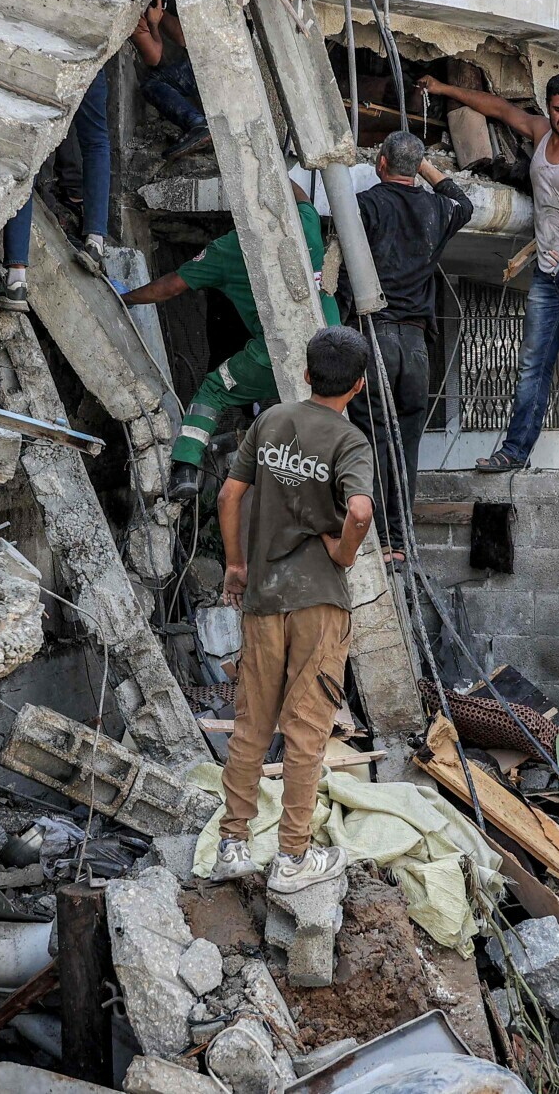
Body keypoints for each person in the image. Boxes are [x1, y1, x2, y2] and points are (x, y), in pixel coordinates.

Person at [209, 327, 375, 892]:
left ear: (306, 374)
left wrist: (236, 564)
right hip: (319, 602)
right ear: (359, 385)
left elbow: (229, 495)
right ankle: (292, 858)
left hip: (263, 597)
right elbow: (359, 510)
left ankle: (232, 844)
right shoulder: (351, 441)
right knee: (306, 730)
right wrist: (343, 552)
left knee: (251, 723)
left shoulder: (271, 421)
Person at [416, 72, 559, 476]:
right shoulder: (541, 132)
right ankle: (514, 452)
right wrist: (443, 88)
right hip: (548, 272)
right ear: (548, 107)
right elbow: (498, 108)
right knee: (532, 365)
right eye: (558, 109)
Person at [117, 191, 338, 501]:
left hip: (277, 354)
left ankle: (185, 468)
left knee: (214, 390)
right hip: (333, 351)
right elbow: (299, 196)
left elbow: (170, 287)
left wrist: (125, 297)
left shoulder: (233, 248)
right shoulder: (305, 223)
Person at [336, 131, 476, 562]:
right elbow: (465, 205)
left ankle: (376, 538)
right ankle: (399, 542)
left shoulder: (366, 205)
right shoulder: (437, 208)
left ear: (380, 163)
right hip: (415, 347)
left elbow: (342, 271)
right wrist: (428, 168)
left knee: (374, 438)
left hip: (375, 336)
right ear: (414, 170)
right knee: (406, 442)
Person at [0, 70, 113, 311]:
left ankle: (16, 280)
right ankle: (95, 243)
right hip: (92, 56)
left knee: (29, 154)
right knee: (96, 140)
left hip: (46, 63)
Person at [130, 0, 210, 162]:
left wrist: (160, 16)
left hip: (211, 60)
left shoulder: (156, 1)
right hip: (212, 61)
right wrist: (154, 24)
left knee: (153, 83)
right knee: (153, 83)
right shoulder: (138, 15)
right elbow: (154, 57)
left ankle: (196, 123)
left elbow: (180, 39)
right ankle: (198, 124)